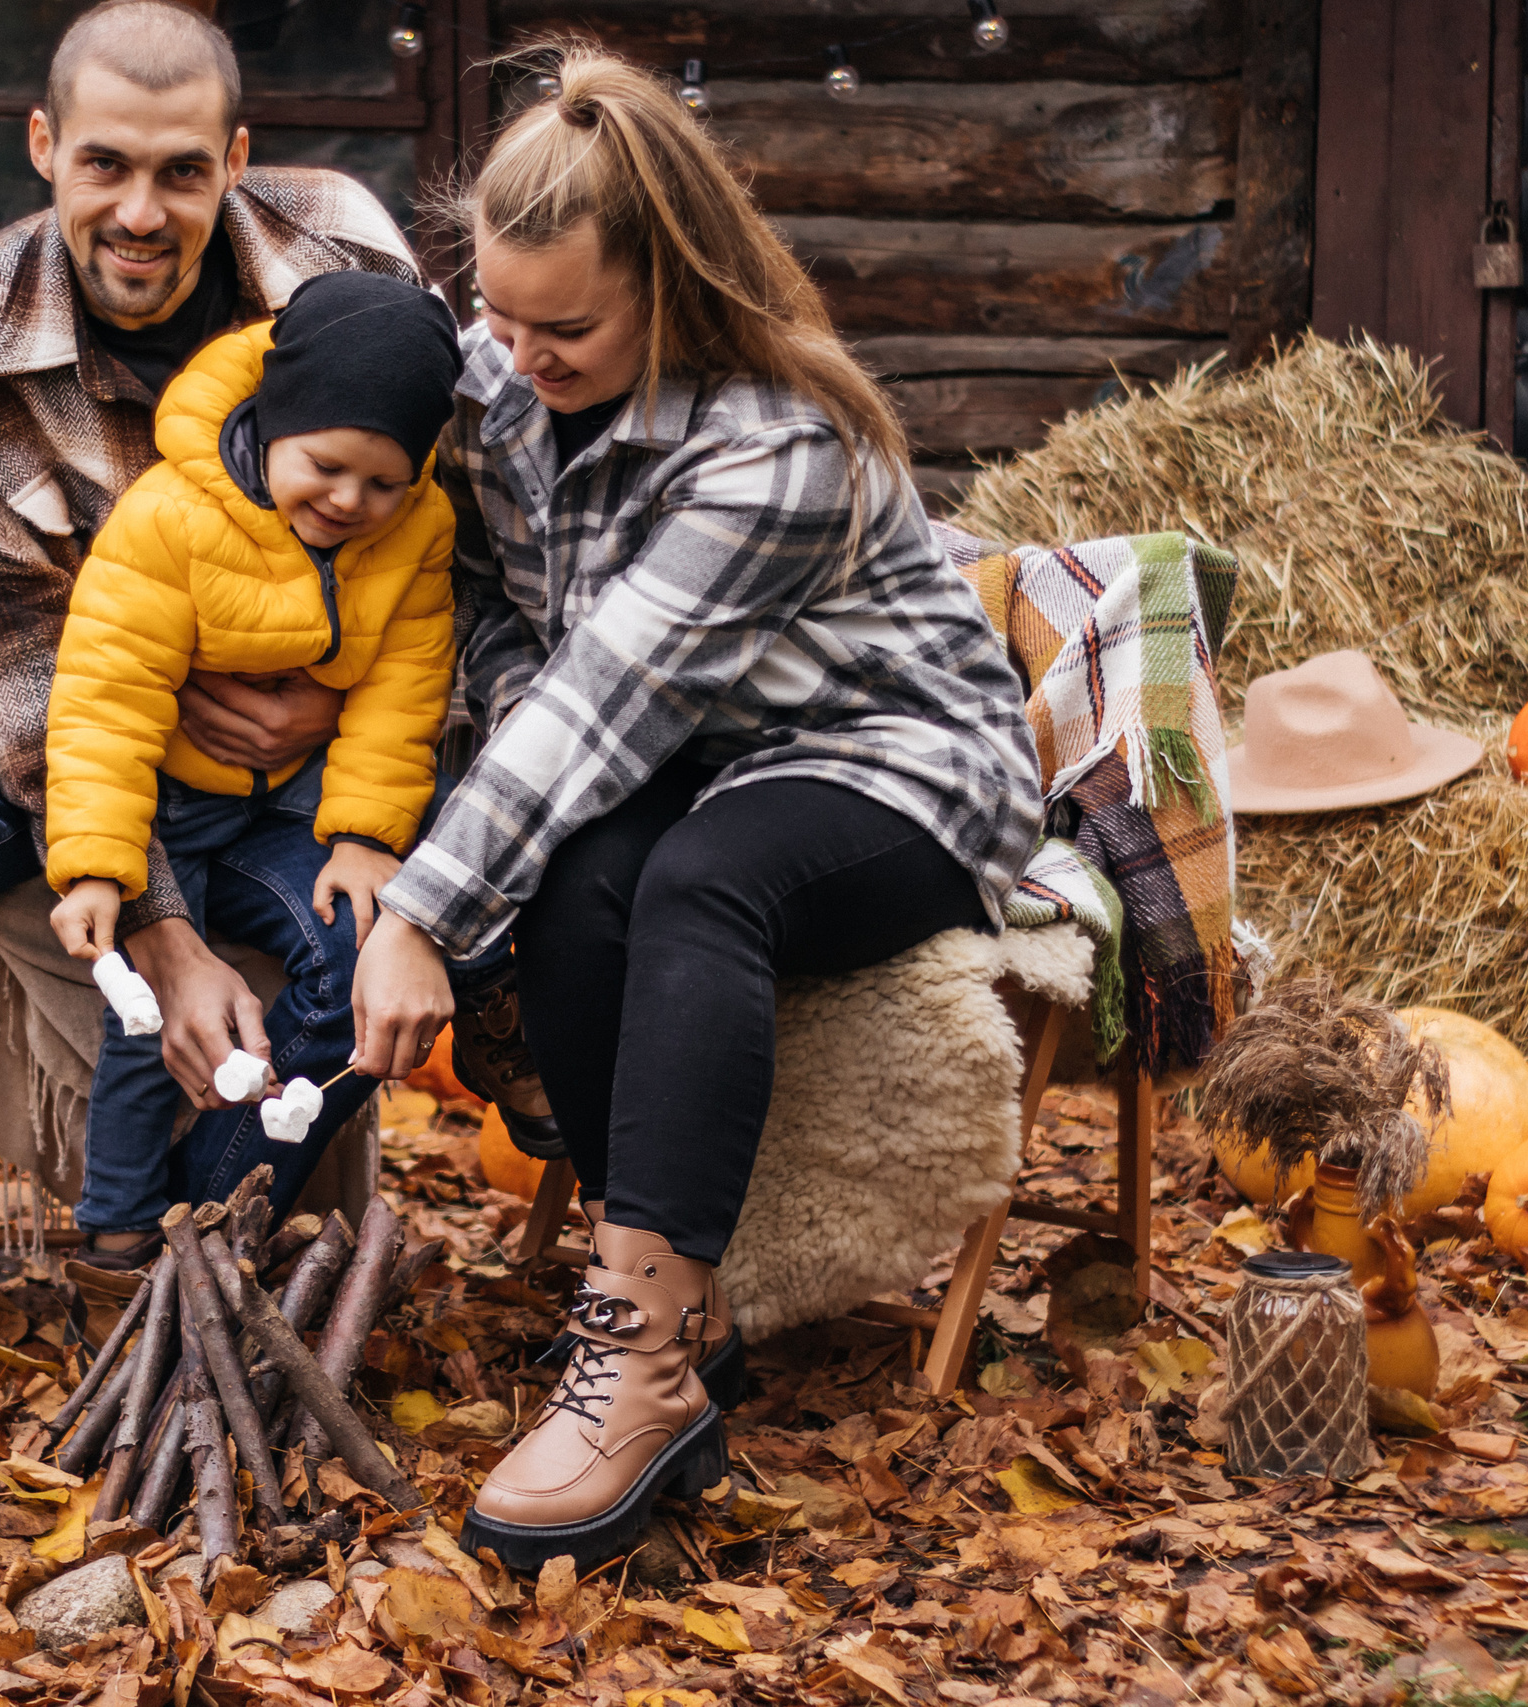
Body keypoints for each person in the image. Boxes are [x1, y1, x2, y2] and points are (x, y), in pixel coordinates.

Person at [347, 47, 1046, 1569]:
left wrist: (415, 911)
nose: (517, 357)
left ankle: (640, 1369)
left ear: (671, 282)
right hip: (685, 752)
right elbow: (501, 613)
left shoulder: (775, 446)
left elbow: (611, 696)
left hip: (890, 758)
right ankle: (664, 1303)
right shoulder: (500, 373)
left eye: (567, 329)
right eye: (502, 315)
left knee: (703, 879)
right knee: (588, 870)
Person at [0, 1, 424, 1496]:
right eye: (104, 163)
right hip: (35, 673)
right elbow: (18, 650)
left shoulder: (353, 269)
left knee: (389, 926)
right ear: (42, 146)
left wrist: (328, 698)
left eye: (184, 171)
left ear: (238, 160)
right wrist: (168, 925)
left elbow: (442, 529)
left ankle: (200, 1250)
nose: (142, 211)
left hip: (294, 691)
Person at [43, 268, 475, 1265]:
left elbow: (402, 693)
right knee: (144, 1027)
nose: (350, 500)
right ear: (273, 422)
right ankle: (113, 1228)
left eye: (383, 481)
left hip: (299, 799)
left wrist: (367, 837)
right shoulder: (171, 520)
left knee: (374, 934)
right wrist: (100, 862)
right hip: (181, 804)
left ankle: (214, 1225)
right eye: (326, 466)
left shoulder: (418, 531)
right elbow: (105, 698)